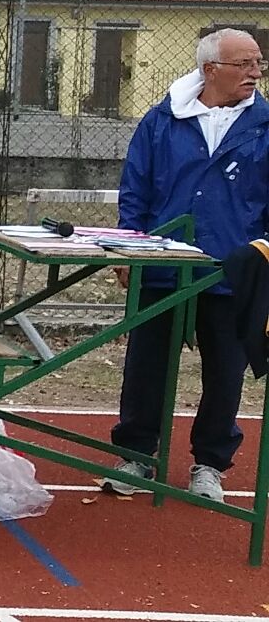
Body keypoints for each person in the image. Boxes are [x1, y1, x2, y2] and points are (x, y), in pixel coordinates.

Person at [104, 28, 267, 502]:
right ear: (210, 69)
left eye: (259, 63)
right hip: (163, 263)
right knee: (146, 364)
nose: (256, 73)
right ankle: (136, 455)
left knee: (226, 371)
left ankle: (210, 464)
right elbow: (136, 188)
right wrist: (130, 247)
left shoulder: (265, 125)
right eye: (245, 64)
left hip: (233, 269)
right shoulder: (162, 120)